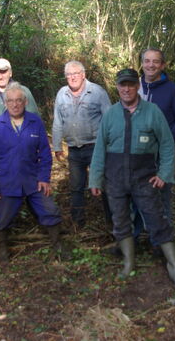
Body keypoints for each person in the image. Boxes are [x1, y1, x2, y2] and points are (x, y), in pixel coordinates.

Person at [89, 68, 175, 285]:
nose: (126, 89)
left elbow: (167, 144)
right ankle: (128, 263)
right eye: (122, 85)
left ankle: (174, 265)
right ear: (117, 87)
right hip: (115, 179)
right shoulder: (110, 115)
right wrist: (95, 179)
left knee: (156, 219)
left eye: (131, 84)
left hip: (145, 178)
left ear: (137, 86)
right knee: (121, 221)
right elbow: (100, 149)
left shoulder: (152, 112)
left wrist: (164, 174)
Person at [0, 84, 64, 262]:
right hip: (7, 181)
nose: (15, 104)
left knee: (50, 210)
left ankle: (58, 245)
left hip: (33, 179)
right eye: (10, 101)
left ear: (25, 102)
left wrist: (44, 178)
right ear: (5, 103)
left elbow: (44, 152)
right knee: (2, 218)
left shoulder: (35, 122)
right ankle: (2, 249)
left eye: (19, 100)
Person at [135, 48, 175, 243]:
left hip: (161, 155)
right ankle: (139, 236)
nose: (150, 65)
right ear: (142, 63)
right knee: (137, 194)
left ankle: (163, 241)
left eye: (155, 62)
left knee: (161, 196)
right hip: (136, 154)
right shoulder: (134, 86)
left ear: (162, 65)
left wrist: (165, 139)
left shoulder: (172, 90)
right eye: (147, 61)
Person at [52, 61, 112, 228]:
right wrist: (57, 146)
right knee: (76, 187)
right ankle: (78, 222)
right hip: (74, 149)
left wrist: (110, 145)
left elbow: (109, 119)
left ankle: (112, 221)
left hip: (96, 148)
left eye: (75, 73)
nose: (72, 77)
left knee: (104, 184)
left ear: (83, 74)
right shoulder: (61, 94)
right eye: (69, 75)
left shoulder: (97, 92)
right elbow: (57, 121)